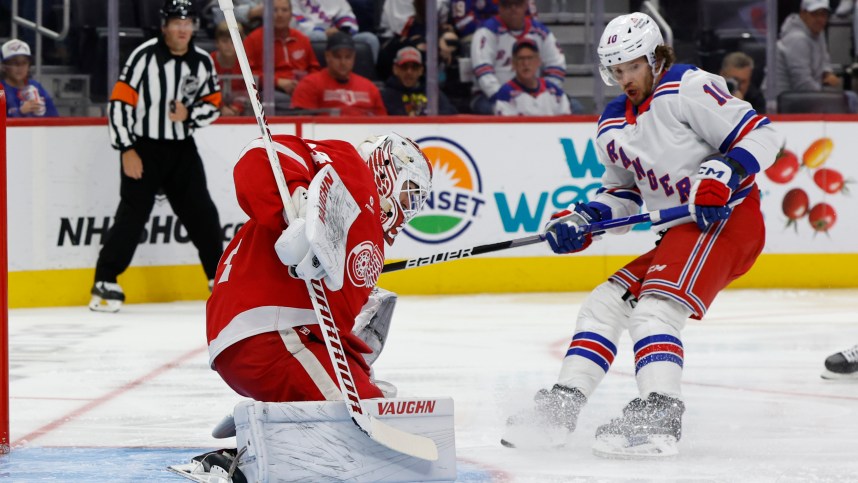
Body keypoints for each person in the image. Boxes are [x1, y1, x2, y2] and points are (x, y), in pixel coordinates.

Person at [500, 12, 782, 457]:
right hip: (679, 233)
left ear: (655, 58)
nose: (625, 77)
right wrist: (585, 218)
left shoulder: (688, 86)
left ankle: (659, 415)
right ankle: (562, 407)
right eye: (616, 69)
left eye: (632, 66)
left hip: (725, 220)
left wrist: (725, 172)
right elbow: (624, 194)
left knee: (654, 312)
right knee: (603, 306)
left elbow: (762, 135)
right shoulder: (612, 122)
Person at [205, 131, 432, 407]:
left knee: (373, 392)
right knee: (366, 408)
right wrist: (296, 207)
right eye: (411, 190)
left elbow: (331, 319)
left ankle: (275, 437)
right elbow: (262, 152)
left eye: (417, 200)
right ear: (387, 167)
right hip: (270, 333)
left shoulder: (367, 232)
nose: (409, 206)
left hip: (269, 335)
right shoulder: (349, 167)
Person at [90, 0, 224, 313]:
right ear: (164, 26)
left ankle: (218, 279)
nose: (183, 28)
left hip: (182, 149)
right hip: (144, 148)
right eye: (177, 22)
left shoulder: (202, 61)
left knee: (203, 215)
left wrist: (190, 114)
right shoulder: (143, 56)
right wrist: (126, 149)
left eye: (188, 22)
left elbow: (214, 102)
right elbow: (120, 103)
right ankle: (104, 281)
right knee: (132, 217)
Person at [470, 0, 565, 114]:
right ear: (499, 8)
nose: (513, 9)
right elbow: (483, 71)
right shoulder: (487, 31)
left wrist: (546, 95)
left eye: (517, 4)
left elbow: (557, 65)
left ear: (525, 6)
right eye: (507, 5)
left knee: (574, 106)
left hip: (533, 93)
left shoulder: (540, 32)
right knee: (489, 109)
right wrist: (503, 96)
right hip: (493, 96)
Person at [771, 0, 858, 112]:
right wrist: (826, 96)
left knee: (850, 98)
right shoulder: (797, 39)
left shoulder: (817, 32)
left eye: (823, 14)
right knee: (849, 99)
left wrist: (826, 72)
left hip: (807, 95)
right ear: (803, 14)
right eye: (815, 14)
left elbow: (825, 60)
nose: (820, 19)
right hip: (786, 100)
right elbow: (802, 84)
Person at [243, 0, 320, 109]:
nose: (279, 14)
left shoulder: (302, 39)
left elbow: (314, 69)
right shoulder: (253, 40)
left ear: (291, 14)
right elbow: (247, 74)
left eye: (284, 10)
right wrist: (277, 82)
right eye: (275, 10)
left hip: (303, 89)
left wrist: (305, 84)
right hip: (270, 91)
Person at [290, 32, 387, 115]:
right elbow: (303, 124)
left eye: (348, 57)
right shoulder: (309, 84)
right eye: (337, 57)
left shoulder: (370, 88)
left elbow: (382, 125)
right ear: (327, 56)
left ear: (354, 57)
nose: (343, 62)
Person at [494, 38, 571, 116]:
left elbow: (566, 123)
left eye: (530, 58)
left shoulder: (555, 92)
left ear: (538, 61)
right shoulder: (505, 94)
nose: (526, 63)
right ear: (513, 63)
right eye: (521, 59)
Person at [292, 0, 381, 62]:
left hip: (338, 33)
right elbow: (297, 23)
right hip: (310, 34)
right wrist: (325, 32)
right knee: (318, 37)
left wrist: (343, 31)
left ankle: (366, 81)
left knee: (370, 39)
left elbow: (347, 15)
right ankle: (320, 77)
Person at [381, 46, 458, 115]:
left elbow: (450, 111)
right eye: (404, 67)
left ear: (421, 70)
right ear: (395, 69)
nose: (409, 72)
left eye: (414, 67)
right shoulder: (386, 95)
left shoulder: (432, 92)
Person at [1, 39, 58, 118]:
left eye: (24, 63)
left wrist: (43, 111)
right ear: (4, 66)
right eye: (15, 63)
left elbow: (54, 117)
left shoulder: (36, 86)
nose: (20, 68)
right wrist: (20, 112)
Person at [211, 21, 248, 116]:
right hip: (212, 109)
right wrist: (221, 106)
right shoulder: (209, 62)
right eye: (224, 41)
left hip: (242, 111)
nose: (228, 45)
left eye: (233, 41)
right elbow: (207, 90)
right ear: (217, 43)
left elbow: (248, 89)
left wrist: (237, 107)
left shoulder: (246, 63)